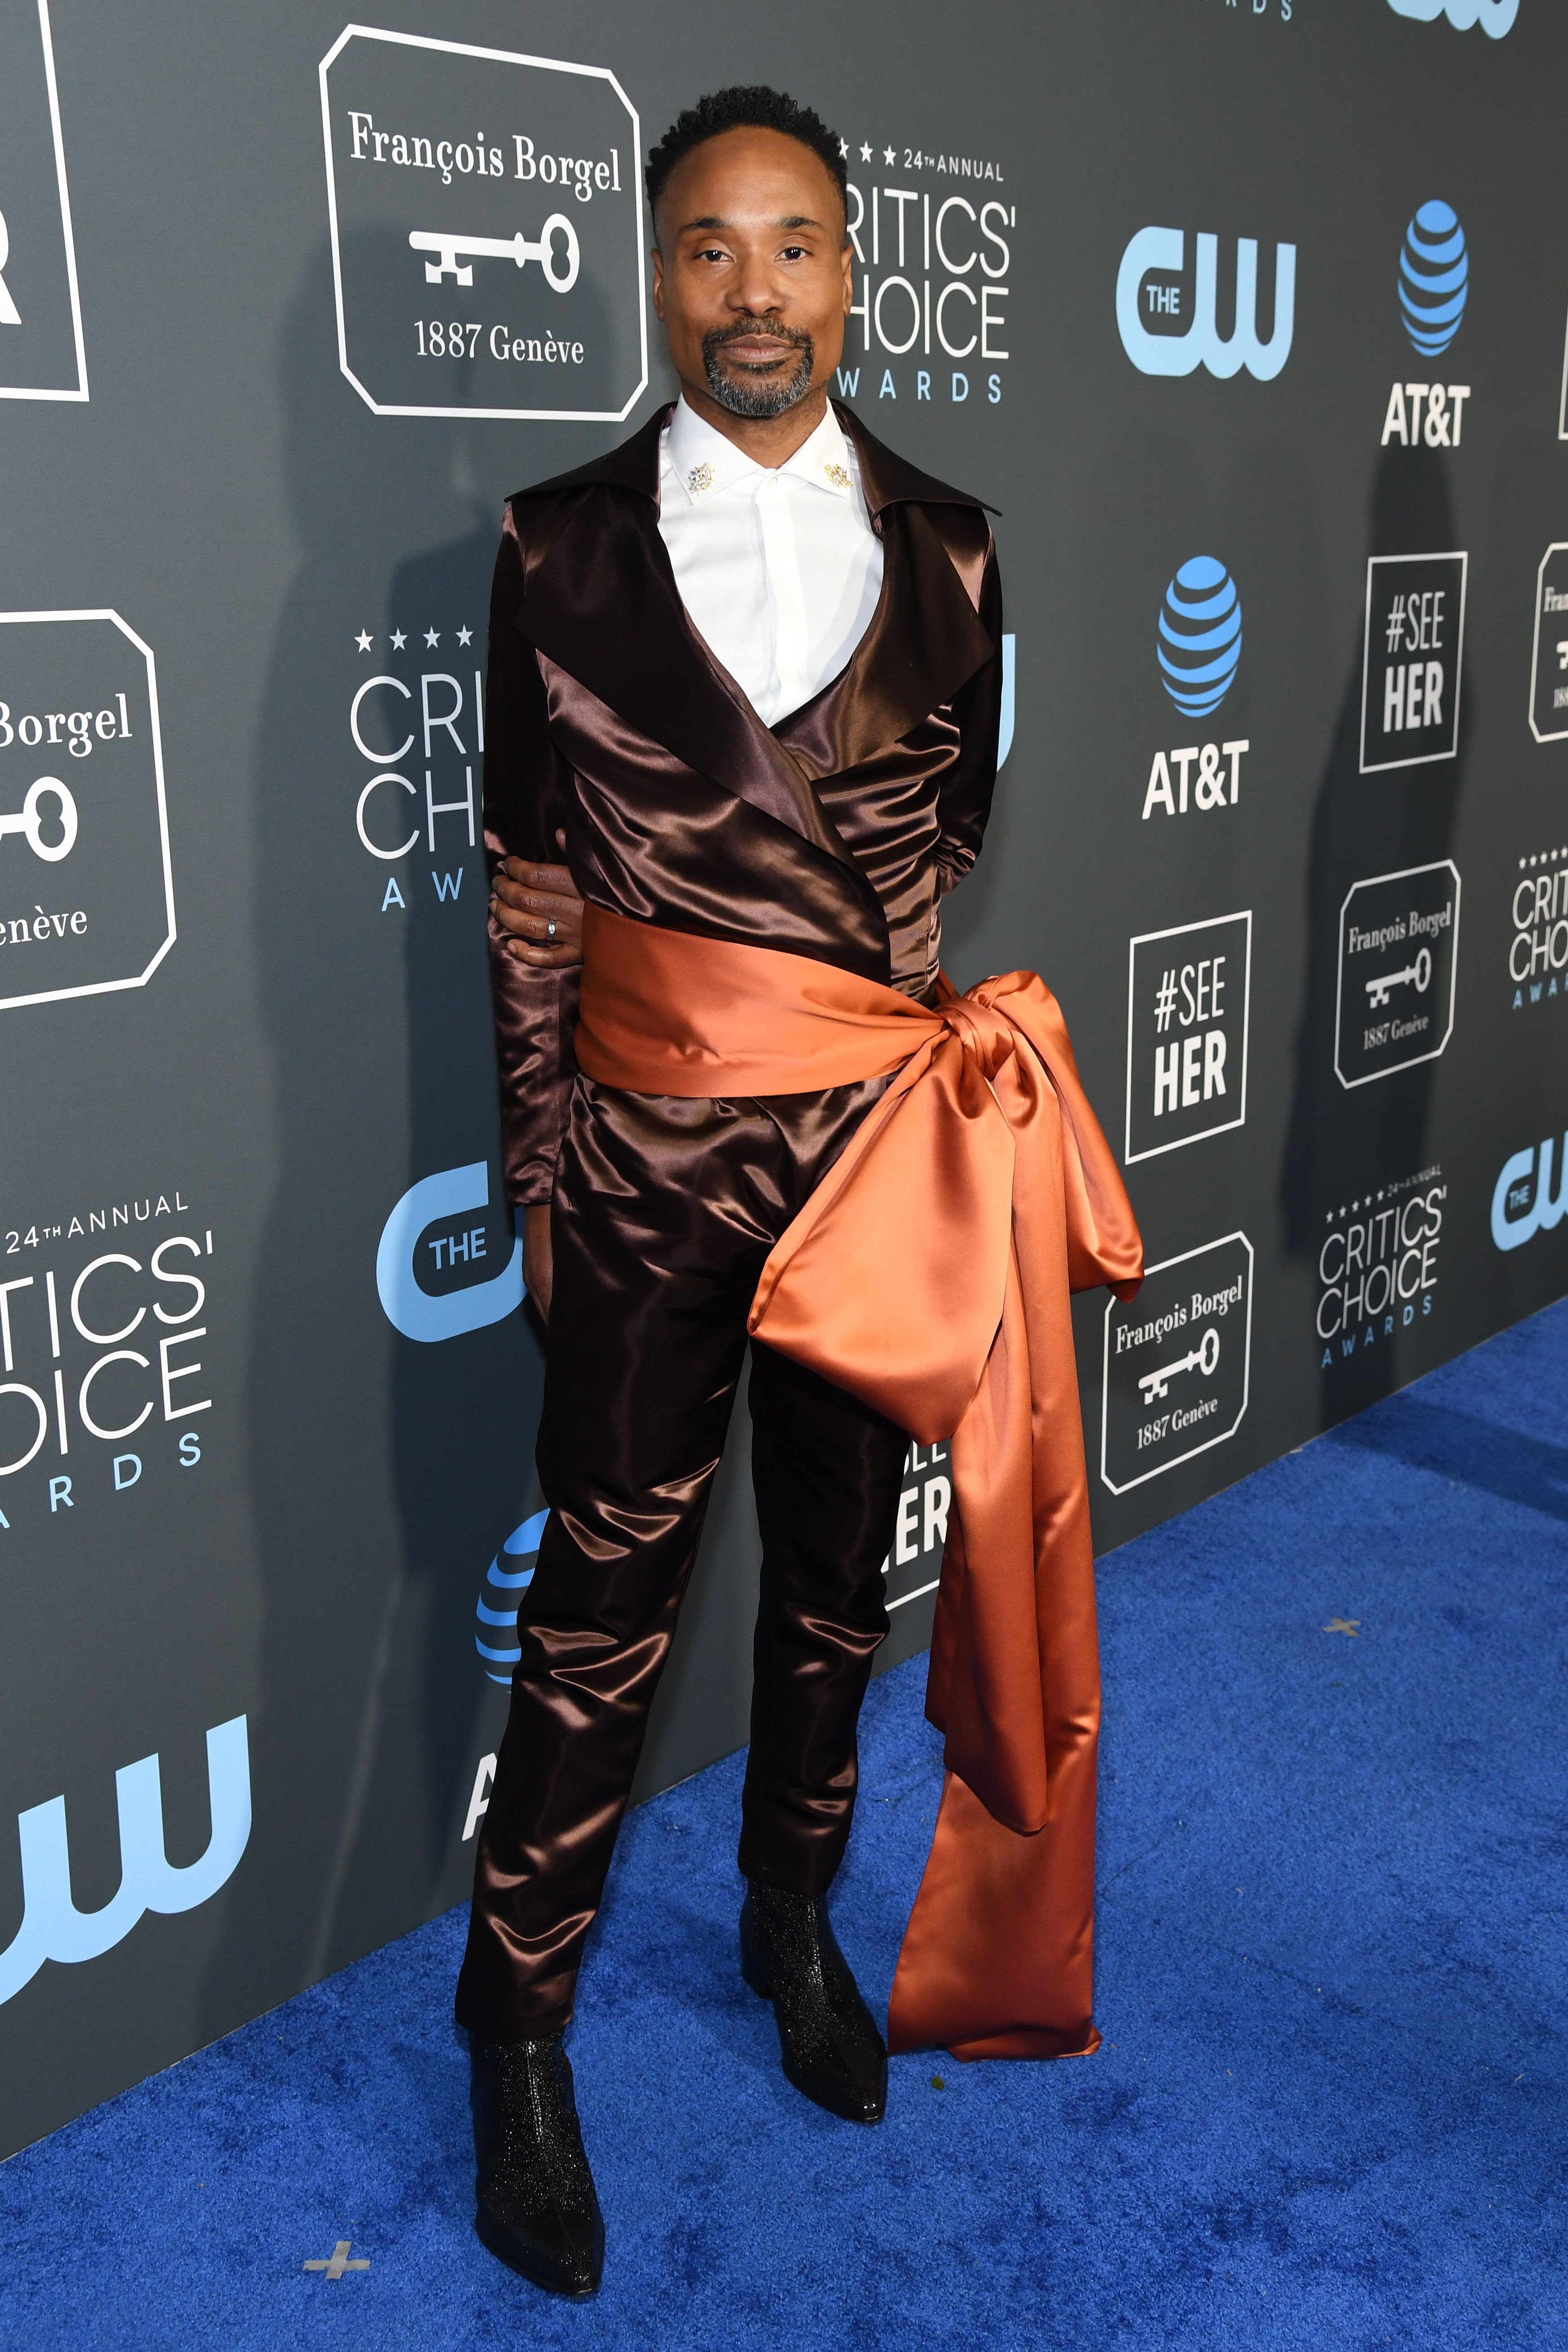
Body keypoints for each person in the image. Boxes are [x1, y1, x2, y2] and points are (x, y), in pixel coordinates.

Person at [460, 85, 1008, 2299]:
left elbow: (947, 850)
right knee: (598, 1606)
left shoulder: (960, 544)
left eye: (791, 246)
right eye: (706, 247)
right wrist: (538, 1161)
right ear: (652, 271)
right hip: (643, 1159)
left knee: (828, 1582)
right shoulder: (550, 544)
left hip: (867, 1157)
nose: (750, 291)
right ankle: (516, 2029)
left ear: (855, 270)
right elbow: (520, 890)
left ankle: (790, 1916)